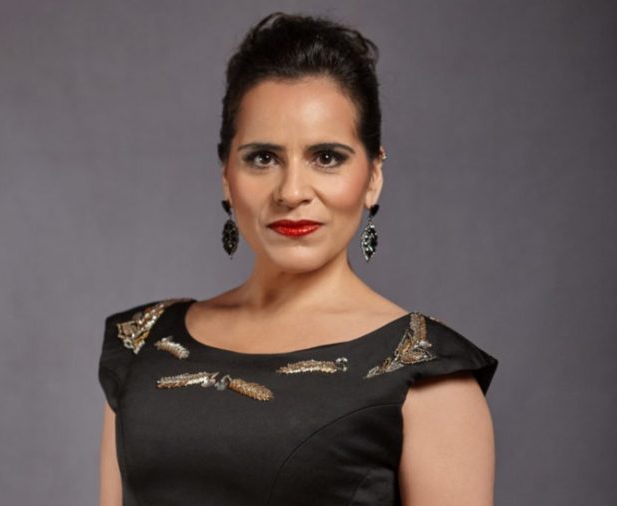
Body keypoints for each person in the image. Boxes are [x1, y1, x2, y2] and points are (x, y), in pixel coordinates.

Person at [98, 11, 499, 506]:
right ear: (226, 175)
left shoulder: (426, 372)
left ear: (373, 176)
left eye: (326, 157)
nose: (291, 192)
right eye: (263, 158)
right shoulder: (142, 346)